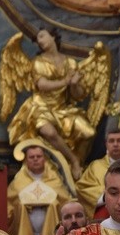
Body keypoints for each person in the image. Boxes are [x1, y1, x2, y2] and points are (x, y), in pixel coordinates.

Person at [7, 27, 93, 180]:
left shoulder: (71, 63)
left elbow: (78, 95)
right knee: (49, 132)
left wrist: (74, 84)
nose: (40, 40)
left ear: (53, 37)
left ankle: (77, 166)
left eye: (42, 36)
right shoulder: (38, 63)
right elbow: (43, 85)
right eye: (38, 39)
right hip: (41, 107)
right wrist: (66, 81)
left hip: (63, 109)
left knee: (88, 133)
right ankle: (73, 160)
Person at [6, 145, 71, 235]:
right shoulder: (18, 182)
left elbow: (65, 203)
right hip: (25, 233)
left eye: (39, 156)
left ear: (44, 159)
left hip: (50, 232)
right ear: (26, 160)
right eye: (31, 157)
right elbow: (9, 207)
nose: (35, 159)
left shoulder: (54, 180)